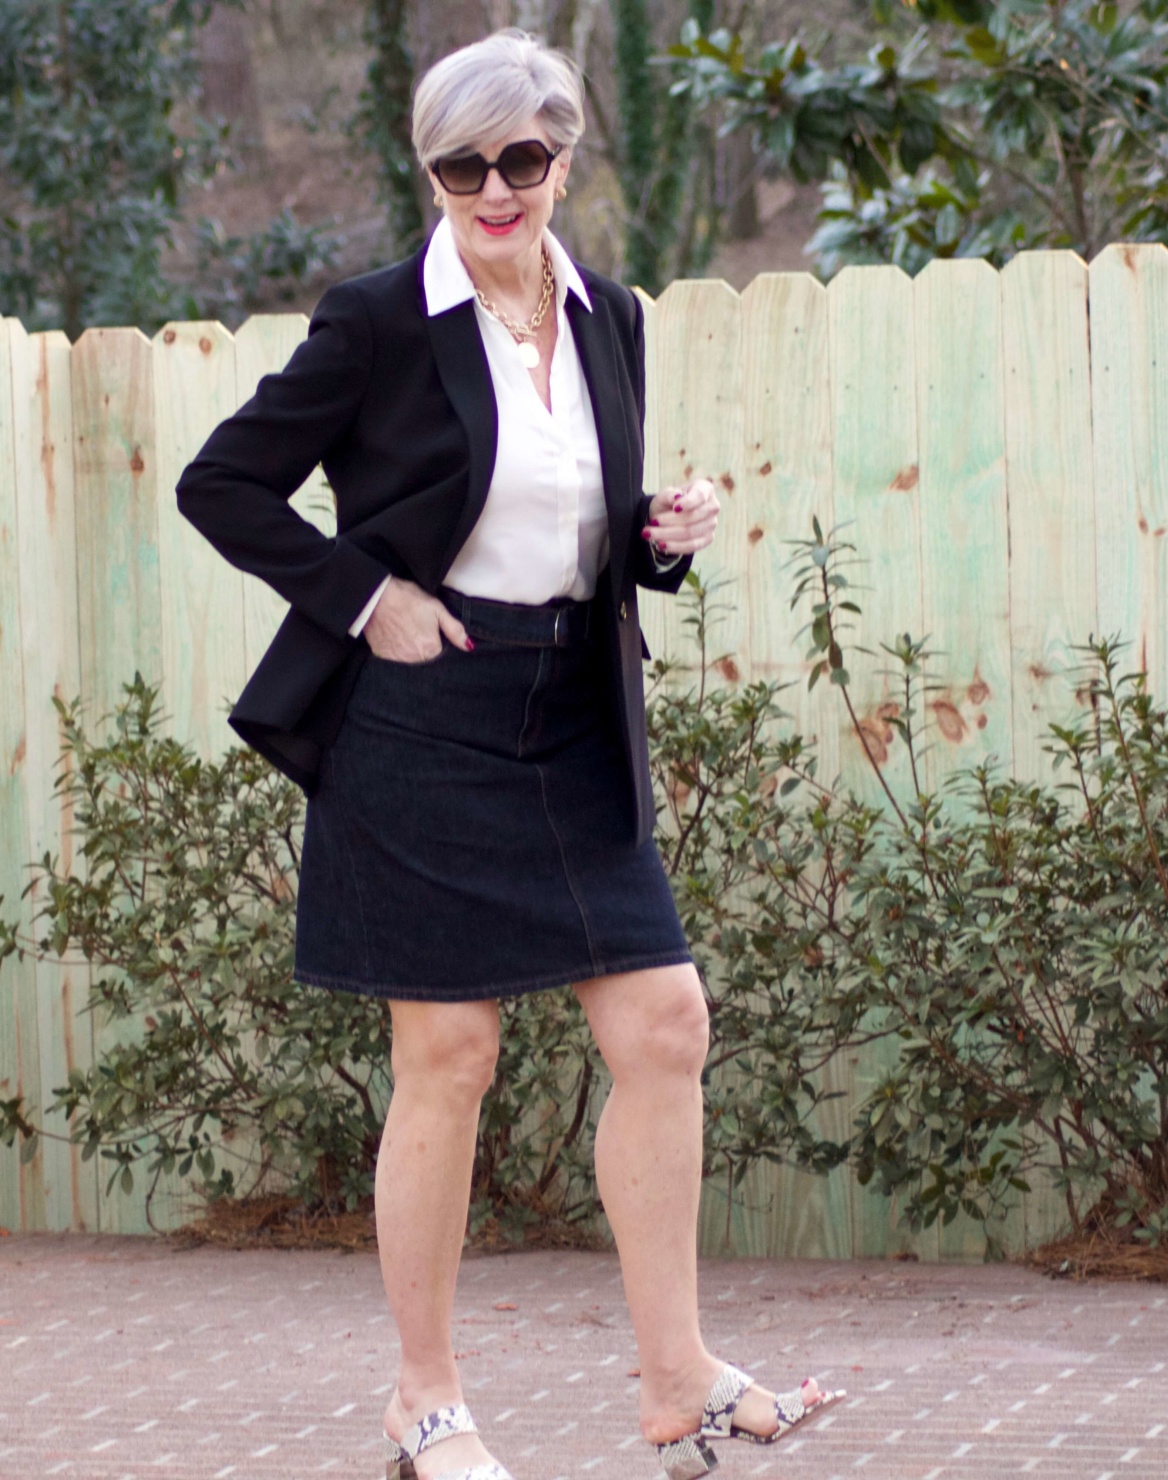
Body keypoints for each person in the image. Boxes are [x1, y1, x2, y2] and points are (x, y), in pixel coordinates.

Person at [176, 27, 844, 1480]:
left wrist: (657, 542)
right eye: (462, 165)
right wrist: (369, 599)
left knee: (668, 1024)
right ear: (428, 170)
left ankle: (675, 1380)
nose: (495, 188)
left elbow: (572, 523)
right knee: (450, 1055)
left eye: (523, 160)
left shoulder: (607, 312)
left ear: (563, 161)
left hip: (571, 710)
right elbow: (220, 483)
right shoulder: (374, 321)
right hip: (422, 717)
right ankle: (426, 1403)